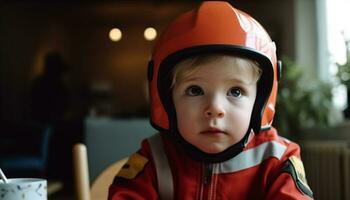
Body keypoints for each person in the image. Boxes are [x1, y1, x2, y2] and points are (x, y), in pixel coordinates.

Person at [108, 1, 313, 199]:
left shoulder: (277, 158)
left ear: (260, 101)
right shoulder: (155, 157)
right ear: (166, 100)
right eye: (195, 90)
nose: (215, 109)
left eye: (235, 91)